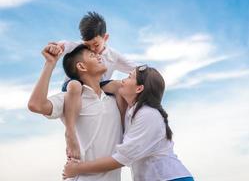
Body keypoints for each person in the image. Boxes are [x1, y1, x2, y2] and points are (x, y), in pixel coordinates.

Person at [63, 65, 194, 181]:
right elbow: (101, 86)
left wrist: (78, 169)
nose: (123, 80)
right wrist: (76, 86)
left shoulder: (148, 115)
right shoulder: (132, 110)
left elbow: (121, 158)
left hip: (171, 178)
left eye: (129, 77)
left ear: (139, 89)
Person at [28, 43, 125, 181]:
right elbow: (35, 105)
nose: (99, 57)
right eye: (92, 55)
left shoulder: (114, 98)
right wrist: (50, 64)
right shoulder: (71, 99)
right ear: (81, 66)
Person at [58, 12, 136, 159]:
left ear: (105, 38)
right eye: (88, 45)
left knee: (120, 86)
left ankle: (123, 129)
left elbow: (134, 68)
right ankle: (69, 132)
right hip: (75, 83)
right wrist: (57, 47)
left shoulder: (113, 55)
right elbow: (65, 44)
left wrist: (148, 74)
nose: (92, 50)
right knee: (75, 86)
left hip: (98, 85)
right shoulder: (81, 47)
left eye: (96, 45)